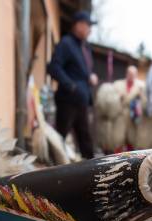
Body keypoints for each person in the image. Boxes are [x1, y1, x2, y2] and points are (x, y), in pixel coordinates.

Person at [47, 11, 98, 159]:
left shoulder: (85, 47)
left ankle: (92, 168)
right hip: (68, 100)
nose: (90, 30)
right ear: (79, 25)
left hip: (82, 101)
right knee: (60, 136)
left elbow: (80, 71)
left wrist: (90, 76)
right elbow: (54, 67)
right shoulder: (66, 43)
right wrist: (71, 86)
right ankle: (52, 167)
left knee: (85, 137)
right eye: (88, 26)